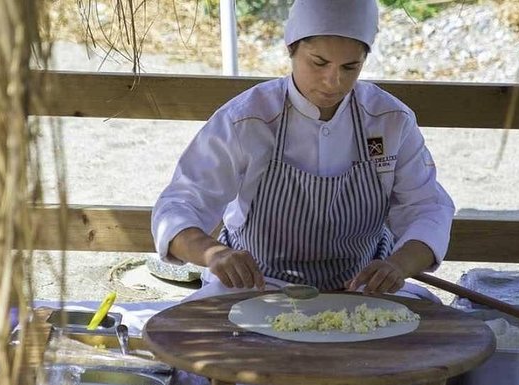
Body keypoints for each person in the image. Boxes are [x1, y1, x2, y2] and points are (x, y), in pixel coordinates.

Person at [152, 0, 455, 302]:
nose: (333, 81)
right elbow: (180, 204)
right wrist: (214, 254)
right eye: (319, 63)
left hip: (361, 288)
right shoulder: (247, 119)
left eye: (350, 67)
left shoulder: (390, 121)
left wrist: (396, 266)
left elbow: (427, 208)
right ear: (291, 50)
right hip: (259, 286)